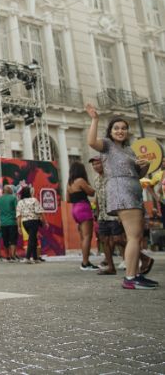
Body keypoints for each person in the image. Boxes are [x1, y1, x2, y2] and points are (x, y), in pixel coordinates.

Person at [86, 104, 158, 289]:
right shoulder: (108, 146)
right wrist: (95, 119)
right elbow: (92, 142)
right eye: (116, 128)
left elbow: (139, 175)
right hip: (121, 191)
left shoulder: (129, 150)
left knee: (136, 236)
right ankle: (130, 278)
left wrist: (145, 164)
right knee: (133, 236)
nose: (120, 131)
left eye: (124, 128)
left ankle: (134, 275)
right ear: (110, 131)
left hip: (133, 191)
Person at [90, 157, 124, 275]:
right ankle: (111, 267)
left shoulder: (112, 177)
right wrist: (97, 213)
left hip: (114, 214)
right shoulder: (96, 179)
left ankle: (141, 256)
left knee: (118, 239)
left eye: (98, 163)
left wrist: (121, 213)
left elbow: (119, 194)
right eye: (94, 164)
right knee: (104, 241)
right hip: (103, 216)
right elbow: (98, 197)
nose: (96, 166)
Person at [67, 162, 98, 270]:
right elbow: (91, 193)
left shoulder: (69, 184)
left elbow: (68, 199)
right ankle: (85, 263)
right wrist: (90, 185)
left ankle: (86, 261)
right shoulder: (80, 180)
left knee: (83, 237)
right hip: (83, 207)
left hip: (75, 209)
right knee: (87, 236)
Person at [16, 186, 46, 264]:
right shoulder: (34, 200)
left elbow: (18, 216)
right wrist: (44, 222)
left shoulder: (20, 202)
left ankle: (35, 258)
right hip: (33, 221)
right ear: (29, 192)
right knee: (32, 239)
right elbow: (39, 212)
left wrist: (19, 227)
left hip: (25, 222)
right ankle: (27, 257)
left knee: (34, 238)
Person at [0, 185, 19, 261]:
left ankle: (8, 255)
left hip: (3, 223)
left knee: (5, 239)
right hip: (12, 222)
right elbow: (17, 210)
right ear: (10, 190)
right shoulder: (13, 198)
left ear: (3, 191)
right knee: (13, 239)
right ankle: (12, 255)